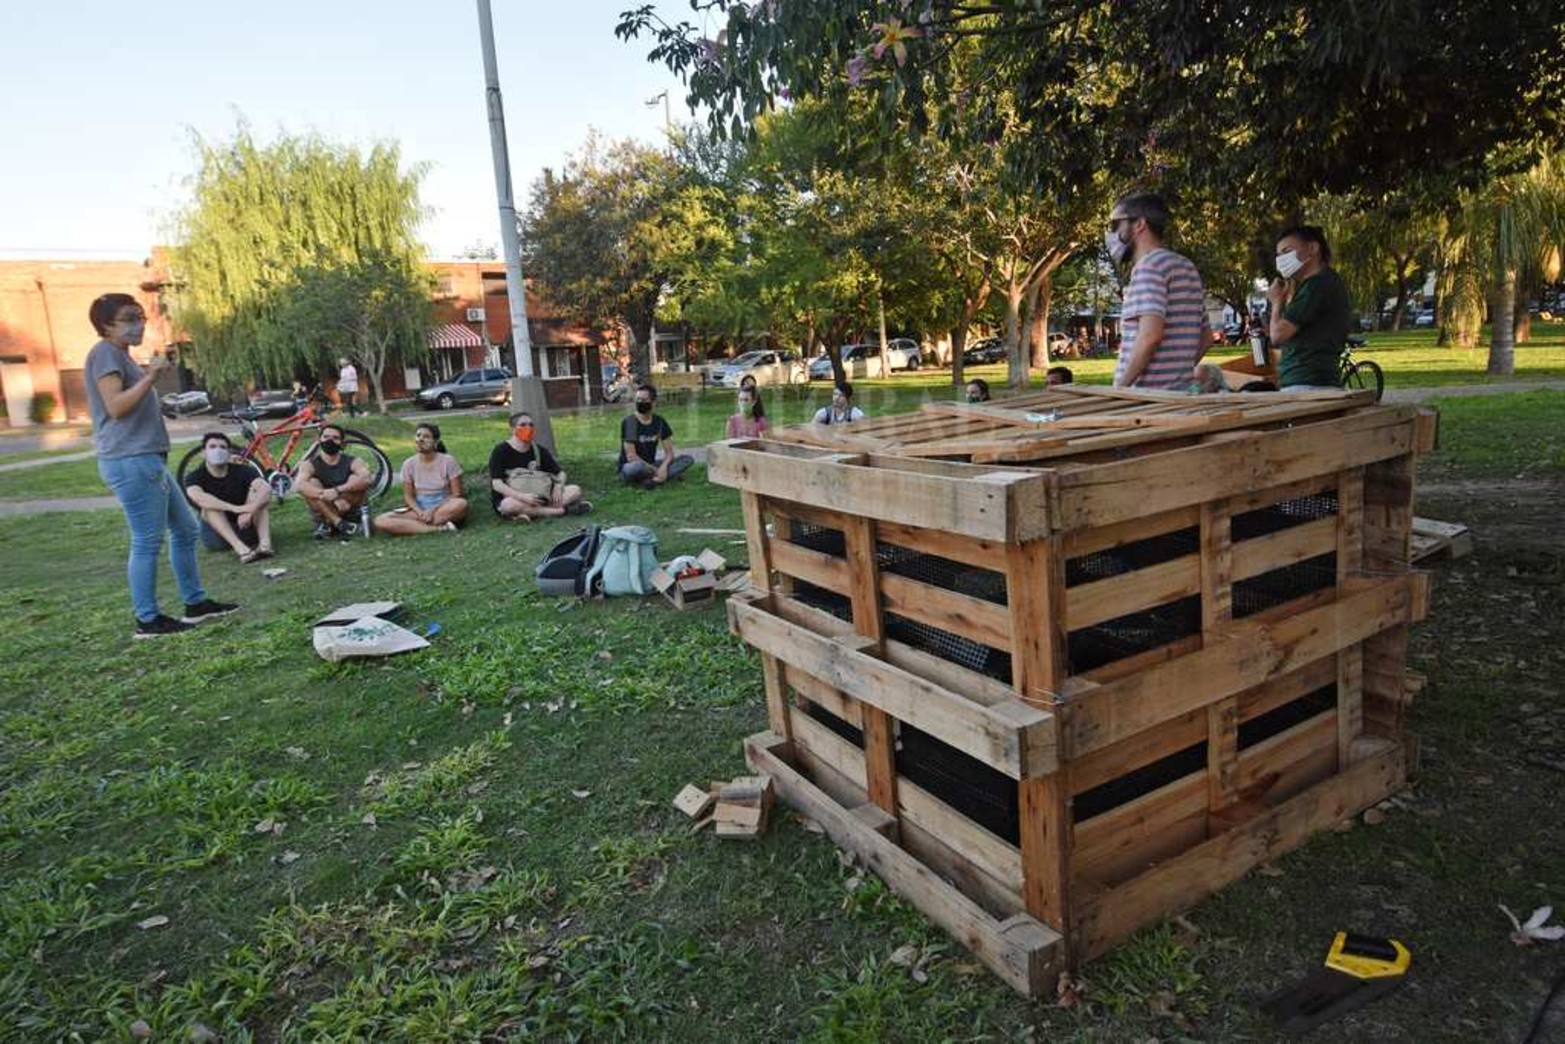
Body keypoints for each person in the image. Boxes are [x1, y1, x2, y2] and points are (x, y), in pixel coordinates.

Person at [84, 293, 237, 638]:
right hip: (130, 460)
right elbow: (116, 407)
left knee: (186, 529)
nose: (139, 324)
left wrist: (167, 403)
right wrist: (151, 378)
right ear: (106, 324)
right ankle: (148, 620)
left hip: (148, 459)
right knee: (147, 540)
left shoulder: (121, 356)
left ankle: (195, 603)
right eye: (129, 318)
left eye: (141, 317)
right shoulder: (104, 354)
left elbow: (132, 405)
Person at [1105, 192, 1209, 390]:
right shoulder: (1186, 266)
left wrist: (1120, 389)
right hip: (1176, 397)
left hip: (1145, 401)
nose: (1111, 233)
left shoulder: (1149, 267)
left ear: (1139, 224)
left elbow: (1150, 336)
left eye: (1115, 224)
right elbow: (1206, 337)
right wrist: (1178, 376)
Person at [1268, 225, 1354, 391]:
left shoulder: (1316, 286)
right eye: (1279, 255)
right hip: (1314, 382)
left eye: (1287, 251)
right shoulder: (1323, 282)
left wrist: (1276, 302)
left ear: (1313, 248)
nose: (1281, 260)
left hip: (1308, 384)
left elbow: (1278, 335)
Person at [184, 431, 275, 562]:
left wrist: (250, 511)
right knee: (209, 508)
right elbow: (198, 497)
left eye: (222, 447)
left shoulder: (244, 470)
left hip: (246, 525)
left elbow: (265, 488)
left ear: (229, 452)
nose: (218, 450)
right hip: (217, 536)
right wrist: (236, 509)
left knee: (258, 494)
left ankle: (265, 546)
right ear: (204, 452)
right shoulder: (195, 476)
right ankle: (242, 550)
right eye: (212, 447)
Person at [488, 410, 589, 520]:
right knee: (508, 505)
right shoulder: (501, 451)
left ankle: (528, 514)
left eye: (531, 425)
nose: (528, 428)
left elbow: (560, 473)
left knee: (575, 490)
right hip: (514, 498)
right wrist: (522, 497)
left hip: (540, 496)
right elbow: (496, 484)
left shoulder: (538, 450)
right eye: (523, 425)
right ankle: (561, 511)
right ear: (513, 429)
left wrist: (558, 486)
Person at [374, 422, 468, 534]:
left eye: (426, 436)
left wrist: (432, 511)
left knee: (461, 504)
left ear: (436, 442)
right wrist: (420, 512)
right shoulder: (408, 464)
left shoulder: (448, 461)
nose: (420, 439)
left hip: (443, 506)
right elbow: (408, 496)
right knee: (380, 521)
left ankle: (412, 527)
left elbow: (457, 494)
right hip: (419, 508)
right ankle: (438, 528)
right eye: (418, 436)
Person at [296, 423, 373, 538]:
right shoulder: (309, 464)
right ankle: (339, 523)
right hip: (324, 507)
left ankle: (329, 524)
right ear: (319, 440)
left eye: (335, 438)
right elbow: (299, 485)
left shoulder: (353, 461)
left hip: (350, 507)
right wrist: (327, 495)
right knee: (311, 483)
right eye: (326, 437)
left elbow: (367, 478)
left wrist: (337, 491)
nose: (330, 441)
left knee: (355, 478)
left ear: (342, 443)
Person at [619, 385, 694, 487]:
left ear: (653, 402)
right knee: (634, 468)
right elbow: (631, 457)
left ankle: (651, 480)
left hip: (651, 463)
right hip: (634, 465)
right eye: (638, 400)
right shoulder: (630, 422)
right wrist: (657, 470)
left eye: (644, 400)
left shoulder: (659, 422)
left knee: (687, 459)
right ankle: (660, 477)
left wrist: (663, 466)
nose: (640, 403)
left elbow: (669, 453)